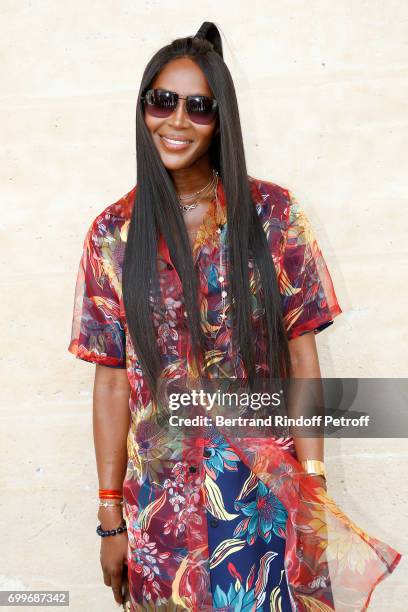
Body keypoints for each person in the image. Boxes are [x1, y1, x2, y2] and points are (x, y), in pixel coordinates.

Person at [67, 21, 401, 611]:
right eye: (162, 101)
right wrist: (109, 514)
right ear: (143, 107)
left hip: (263, 507)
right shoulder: (113, 234)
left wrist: (314, 489)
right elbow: (112, 380)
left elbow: (301, 356)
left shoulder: (272, 215)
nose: (176, 121)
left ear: (222, 118)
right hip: (160, 517)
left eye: (198, 107)